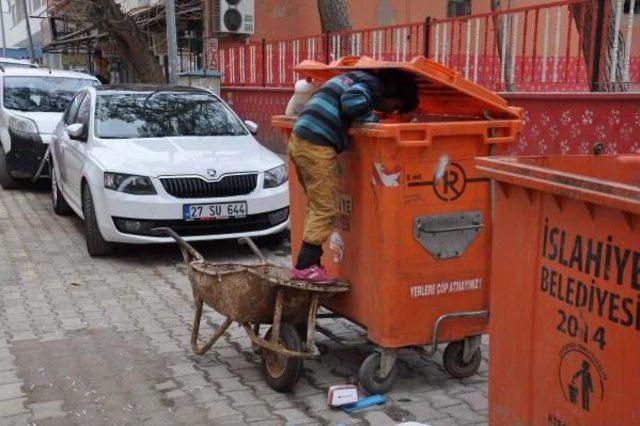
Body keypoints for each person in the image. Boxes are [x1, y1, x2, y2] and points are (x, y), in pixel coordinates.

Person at [289, 69, 418, 282]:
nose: (389, 114)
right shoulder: (372, 87)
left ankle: (312, 262)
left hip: (302, 138)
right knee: (326, 207)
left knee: (318, 204)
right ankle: (305, 267)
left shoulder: (355, 77)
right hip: (316, 144)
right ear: (393, 95)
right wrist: (371, 121)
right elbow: (352, 101)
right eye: (394, 108)